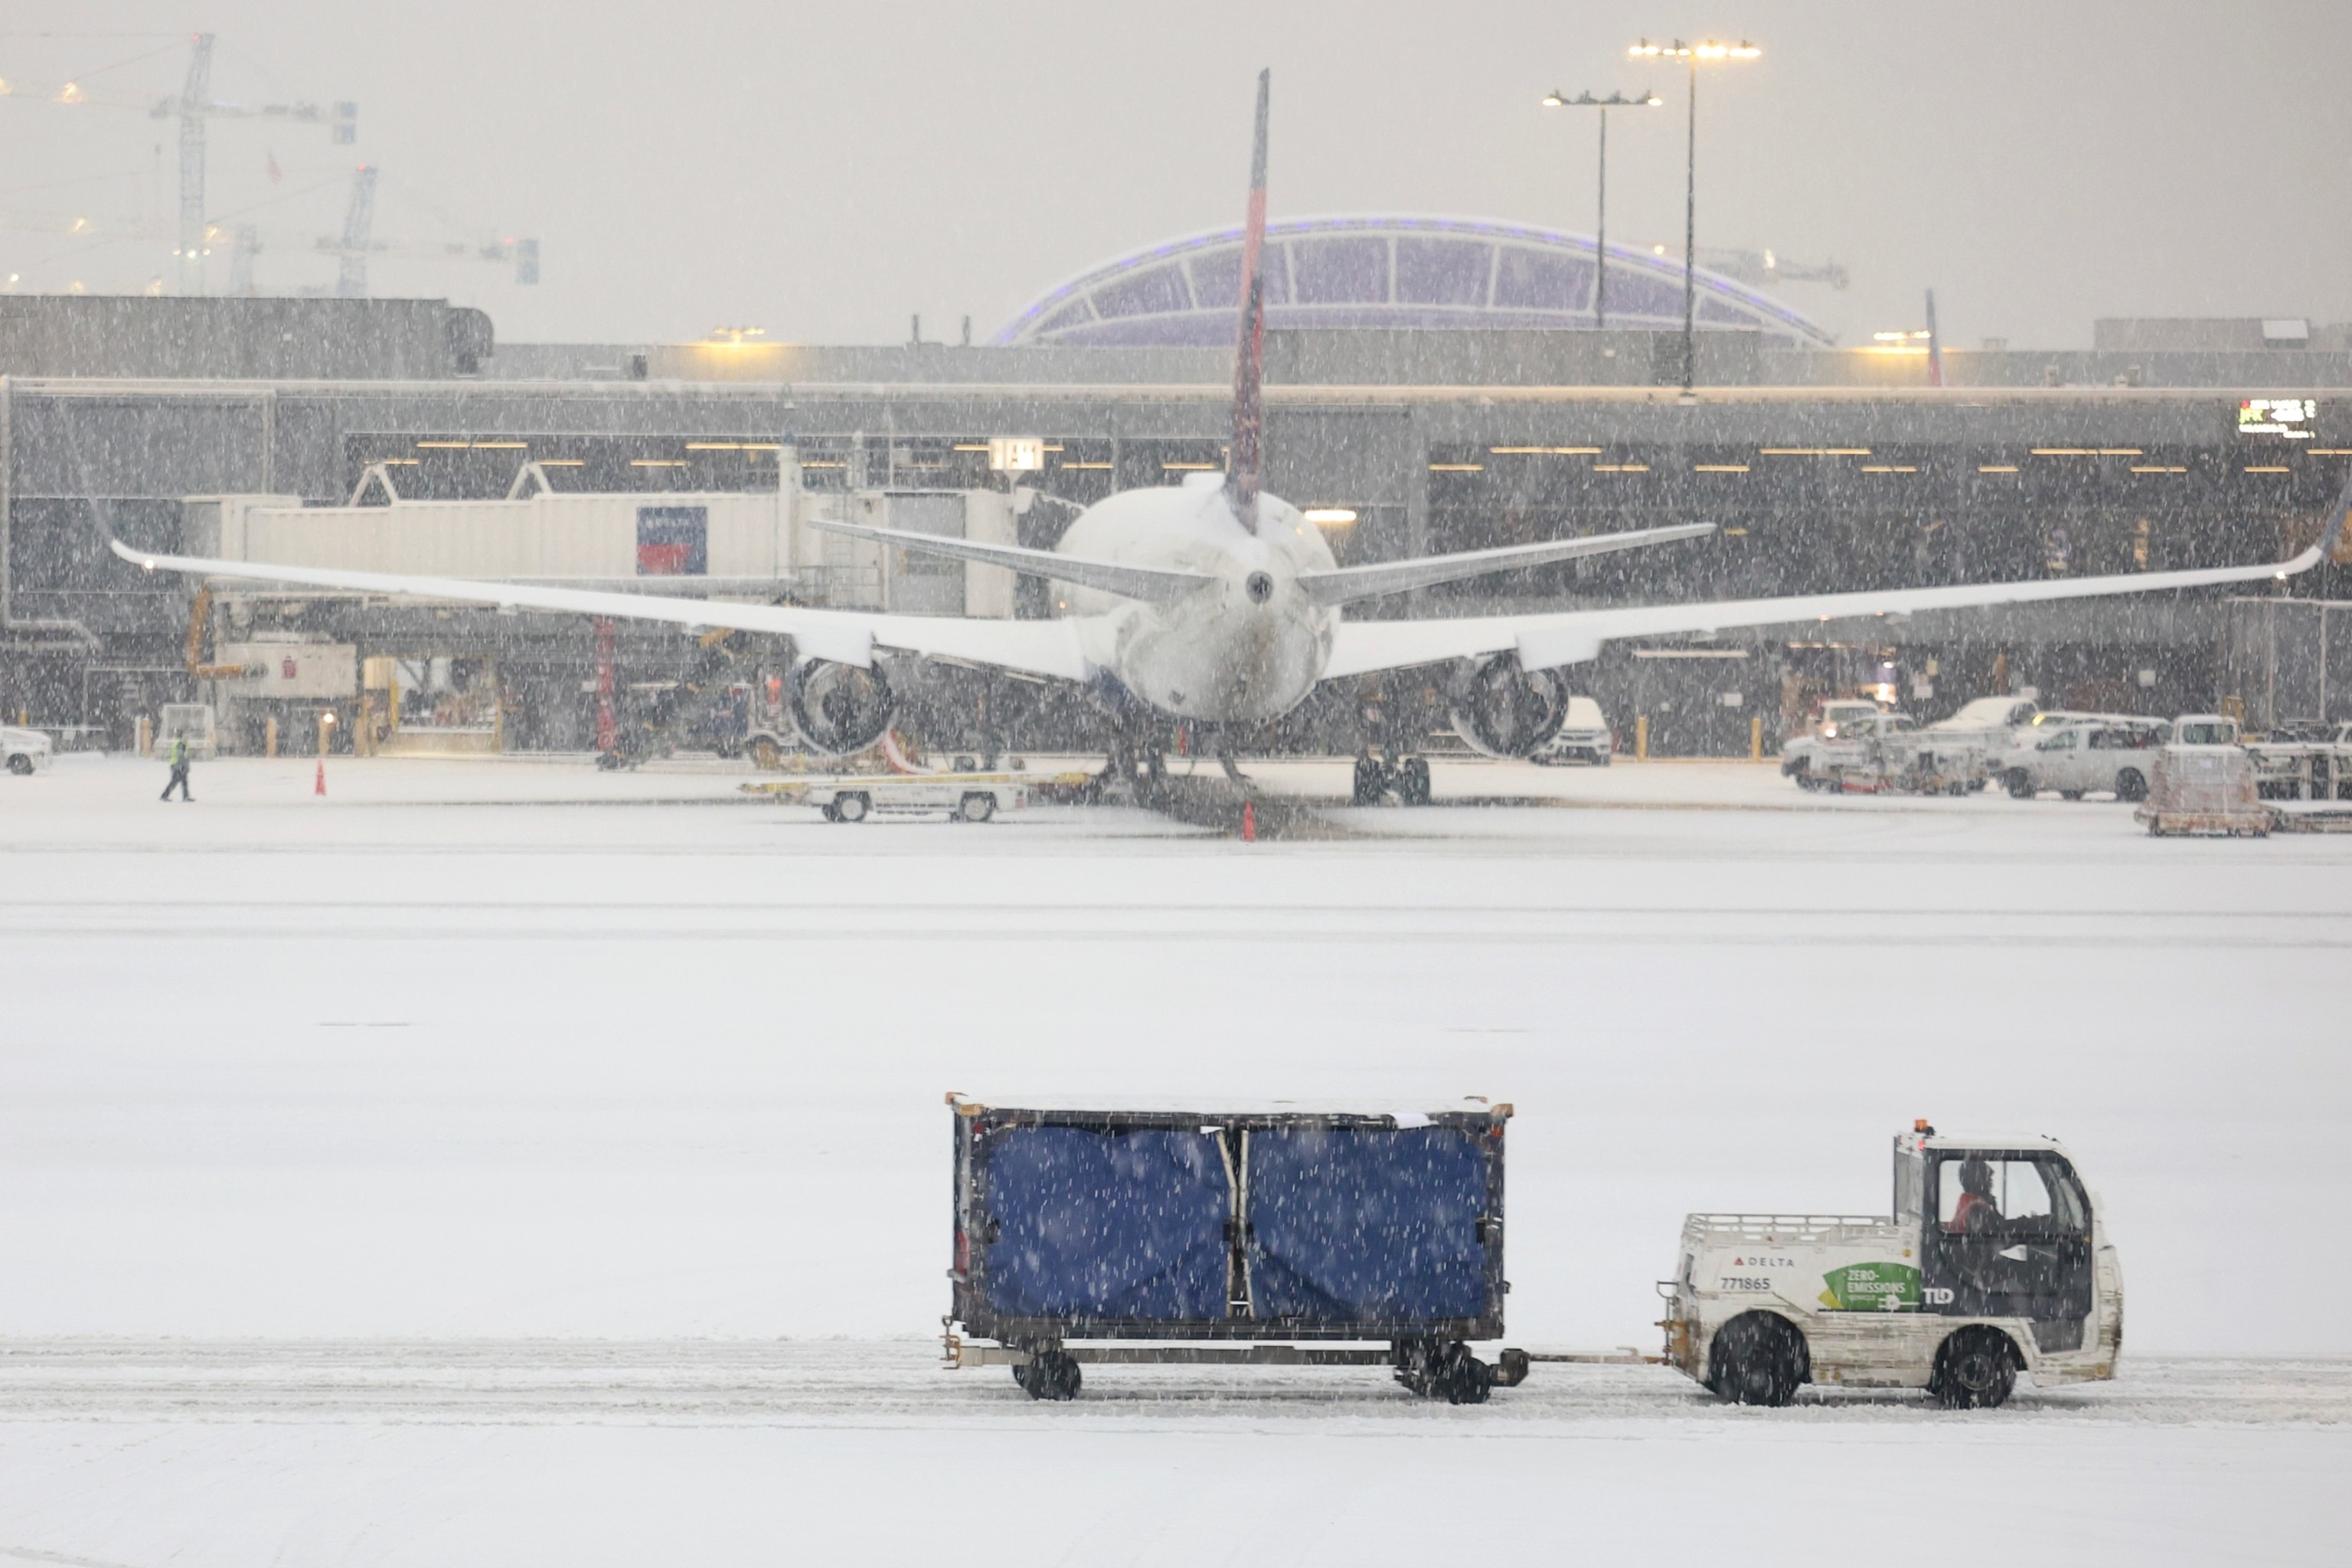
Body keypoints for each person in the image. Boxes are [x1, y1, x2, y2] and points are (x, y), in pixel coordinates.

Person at [1946, 1156, 2001, 1235]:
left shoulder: (1968, 1200)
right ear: (1980, 1183)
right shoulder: (1977, 1206)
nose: (1992, 1184)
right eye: (1989, 1179)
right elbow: (1993, 1234)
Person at [159, 733, 193, 802]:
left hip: (178, 765)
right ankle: (164, 795)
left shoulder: (180, 743)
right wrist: (181, 766)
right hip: (177, 765)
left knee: (183, 781)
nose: (188, 739)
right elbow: (181, 756)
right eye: (187, 737)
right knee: (175, 781)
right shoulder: (181, 744)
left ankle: (186, 796)